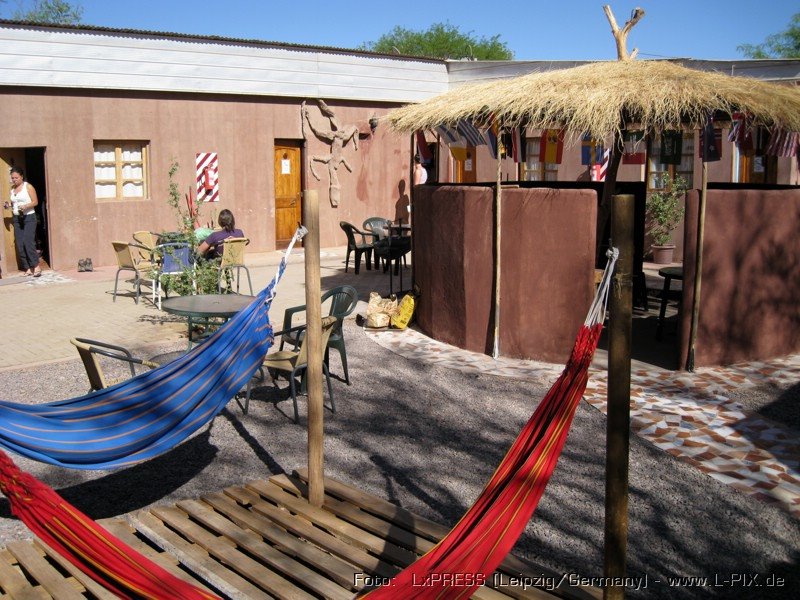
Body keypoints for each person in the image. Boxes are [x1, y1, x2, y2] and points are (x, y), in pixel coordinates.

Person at [7, 167, 41, 276]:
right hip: (17, 218)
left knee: (28, 242)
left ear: (22, 176)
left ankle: (36, 266)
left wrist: (26, 206)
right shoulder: (12, 189)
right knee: (20, 243)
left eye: (16, 177)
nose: (14, 180)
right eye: (13, 178)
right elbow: (14, 203)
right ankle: (27, 268)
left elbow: (35, 202)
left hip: (29, 217)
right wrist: (9, 205)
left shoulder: (28, 187)